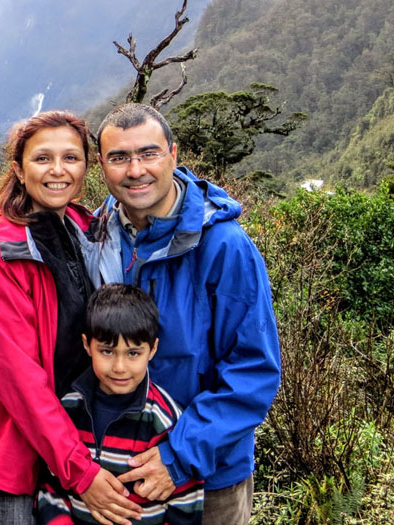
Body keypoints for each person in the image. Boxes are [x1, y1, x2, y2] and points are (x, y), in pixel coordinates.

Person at [91, 103, 281, 525]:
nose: (135, 169)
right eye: (119, 158)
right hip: (116, 471)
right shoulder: (96, 235)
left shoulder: (224, 246)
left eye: (149, 153)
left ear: (174, 155)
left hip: (209, 474)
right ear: (101, 166)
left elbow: (253, 370)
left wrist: (177, 456)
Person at [0, 110, 142, 525]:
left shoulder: (85, 229)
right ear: (19, 171)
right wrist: (81, 471)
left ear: (86, 167)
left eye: (71, 158)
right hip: (19, 453)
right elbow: (19, 382)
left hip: (83, 438)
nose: (58, 170)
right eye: (42, 159)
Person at [36, 283, 204, 524]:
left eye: (133, 353)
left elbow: (186, 502)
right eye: (107, 351)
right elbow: (51, 483)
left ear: (153, 349)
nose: (119, 367)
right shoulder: (68, 410)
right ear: (87, 345)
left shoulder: (164, 419)